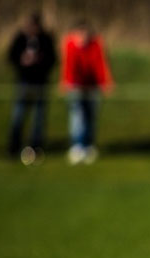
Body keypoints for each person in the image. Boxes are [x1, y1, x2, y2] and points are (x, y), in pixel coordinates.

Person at [60, 20, 113, 165]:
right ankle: (77, 146)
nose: (82, 37)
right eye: (79, 33)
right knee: (77, 117)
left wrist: (106, 83)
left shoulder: (96, 44)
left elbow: (100, 64)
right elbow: (69, 65)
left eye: (85, 33)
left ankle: (89, 146)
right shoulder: (70, 44)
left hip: (92, 86)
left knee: (91, 116)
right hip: (76, 86)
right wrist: (68, 83)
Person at [6, 12, 56, 165]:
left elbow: (52, 59)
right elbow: (11, 56)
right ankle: (13, 148)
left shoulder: (46, 39)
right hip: (24, 82)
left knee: (38, 119)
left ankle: (36, 148)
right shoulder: (20, 38)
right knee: (18, 116)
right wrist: (22, 61)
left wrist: (39, 61)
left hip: (40, 83)